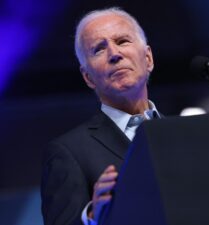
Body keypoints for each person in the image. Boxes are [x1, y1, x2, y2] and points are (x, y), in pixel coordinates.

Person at [41, 7, 160, 225]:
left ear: (148, 58)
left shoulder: (182, 132)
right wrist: (93, 216)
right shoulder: (68, 152)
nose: (115, 54)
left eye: (123, 41)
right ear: (88, 77)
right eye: (98, 49)